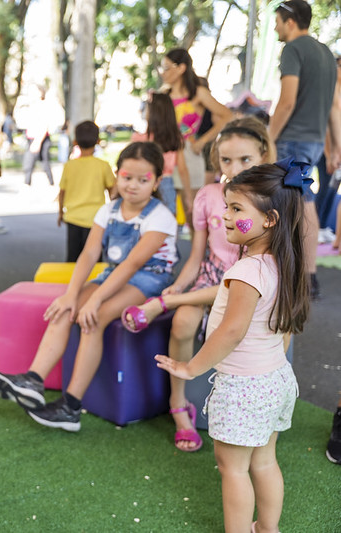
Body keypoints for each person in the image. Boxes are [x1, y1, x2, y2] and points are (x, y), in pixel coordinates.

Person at [154, 158, 310, 533]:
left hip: (245, 388)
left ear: (269, 219)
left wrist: (190, 367)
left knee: (233, 468)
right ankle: (267, 528)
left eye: (237, 209)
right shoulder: (282, 262)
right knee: (264, 461)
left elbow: (231, 331)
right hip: (275, 380)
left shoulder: (246, 271)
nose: (225, 216)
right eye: (227, 206)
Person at [0, 142, 178, 431]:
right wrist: (71, 295)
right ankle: (33, 381)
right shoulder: (109, 209)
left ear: (157, 182)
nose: (133, 185)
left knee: (94, 317)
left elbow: (132, 265)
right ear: (117, 175)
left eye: (143, 180)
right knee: (65, 308)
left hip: (150, 278)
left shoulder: (159, 216)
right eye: (127, 177)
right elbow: (89, 254)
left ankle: (71, 406)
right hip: (113, 274)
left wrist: (95, 300)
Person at [122, 117, 276, 452]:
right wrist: (179, 286)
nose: (234, 168)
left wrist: (171, 297)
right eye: (226, 160)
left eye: (245, 159)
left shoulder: (272, 199)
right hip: (211, 277)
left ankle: (161, 305)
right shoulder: (208, 196)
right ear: (216, 160)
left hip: (250, 281)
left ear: (263, 155)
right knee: (182, 323)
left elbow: (257, 269)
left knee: (216, 312)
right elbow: (196, 256)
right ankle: (178, 406)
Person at [268, 0, 341, 300]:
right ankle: (303, 276)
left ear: (290, 21)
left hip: (291, 140)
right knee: (301, 198)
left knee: (301, 200)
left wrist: (268, 138)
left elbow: (287, 102)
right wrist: (336, 147)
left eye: (277, 21)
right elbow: (335, 105)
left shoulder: (293, 49)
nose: (275, 27)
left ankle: (305, 277)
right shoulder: (325, 53)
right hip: (313, 142)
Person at [161, 48, 232, 204]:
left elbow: (227, 116)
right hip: (166, 157)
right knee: (168, 208)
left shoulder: (198, 93)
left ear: (181, 68)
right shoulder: (164, 95)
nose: (162, 73)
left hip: (189, 154)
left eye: (166, 68)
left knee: (192, 208)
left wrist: (203, 141)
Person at [58, 120, 115, 262]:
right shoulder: (103, 166)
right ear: (98, 141)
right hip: (96, 219)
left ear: (75, 142)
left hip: (73, 218)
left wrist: (60, 212)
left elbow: (62, 192)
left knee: (73, 258)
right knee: (94, 258)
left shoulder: (69, 166)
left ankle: (73, 277)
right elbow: (113, 193)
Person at [133, 92, 188, 216]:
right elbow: (183, 169)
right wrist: (189, 197)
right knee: (167, 221)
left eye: (147, 107)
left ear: (153, 112)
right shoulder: (175, 139)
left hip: (143, 183)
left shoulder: (139, 139)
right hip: (167, 184)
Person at [315, 56, 341, 245]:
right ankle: (315, 227)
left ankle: (323, 227)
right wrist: (329, 154)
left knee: (332, 188)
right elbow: (324, 128)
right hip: (326, 151)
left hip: (336, 152)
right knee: (324, 188)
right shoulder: (328, 92)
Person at [21, 84, 58, 186]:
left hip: (40, 138)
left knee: (43, 162)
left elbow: (44, 126)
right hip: (31, 138)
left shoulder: (42, 106)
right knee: (29, 163)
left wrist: (37, 142)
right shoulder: (31, 106)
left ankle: (51, 183)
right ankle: (27, 183)